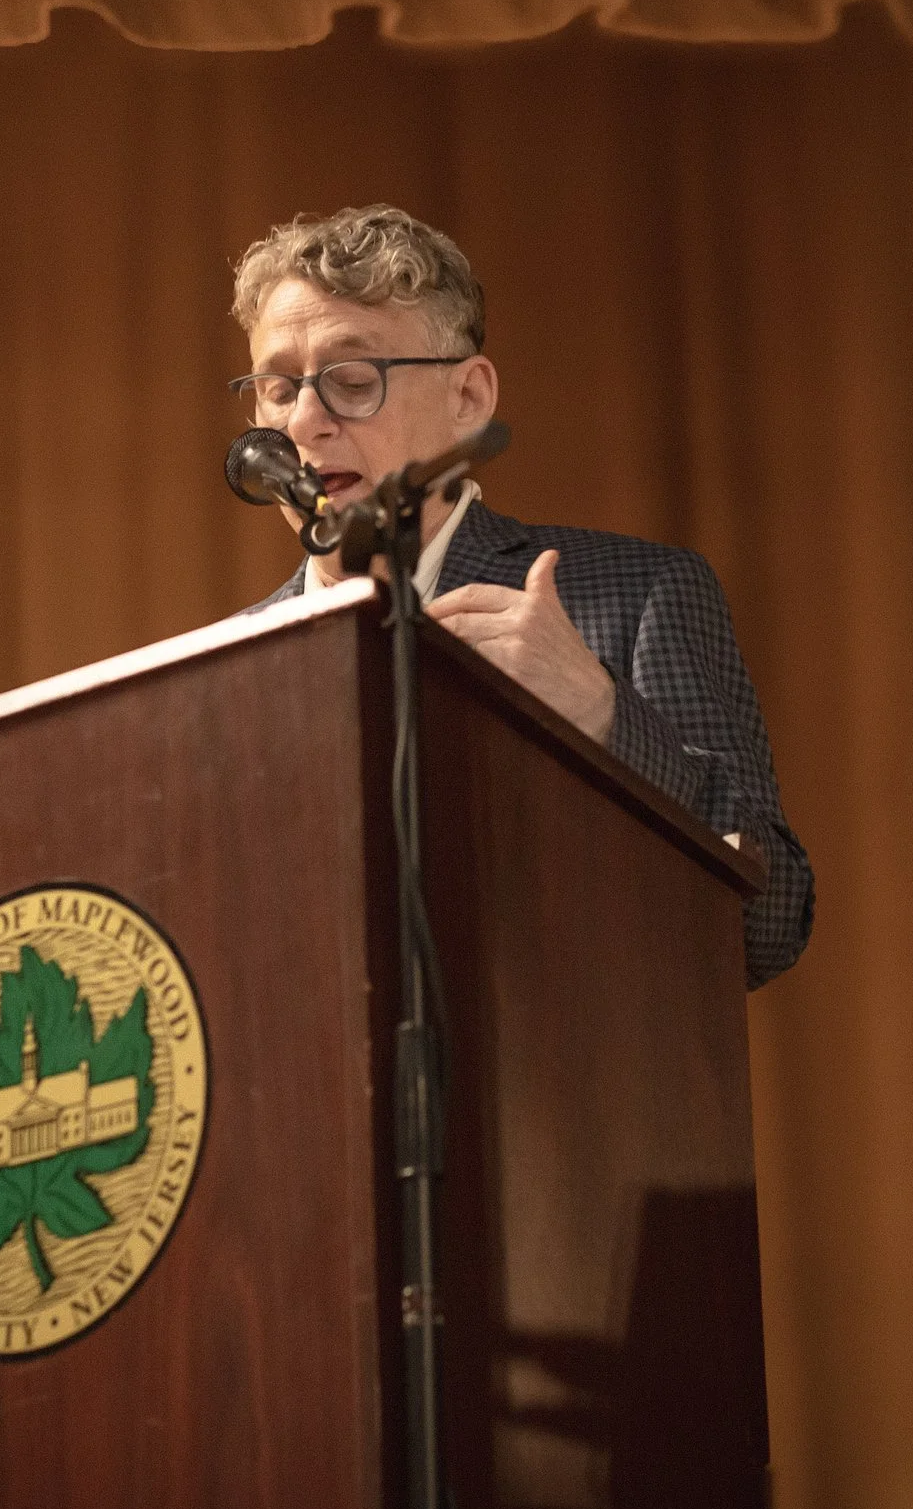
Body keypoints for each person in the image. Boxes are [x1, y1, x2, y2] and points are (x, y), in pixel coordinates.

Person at [232, 205, 813, 986]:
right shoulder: (228, 674)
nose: (303, 421)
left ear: (468, 397)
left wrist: (603, 716)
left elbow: (767, 926)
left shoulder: (631, 599)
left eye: (351, 380)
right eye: (276, 388)